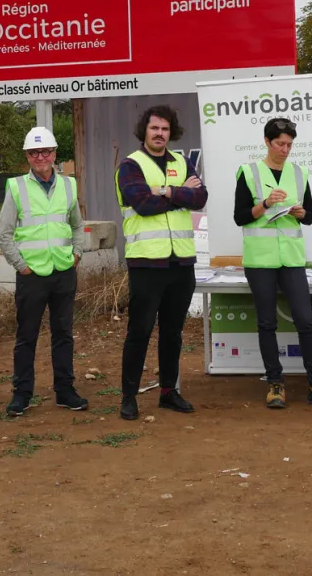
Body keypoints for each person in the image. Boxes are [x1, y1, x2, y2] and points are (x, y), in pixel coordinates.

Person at [234, 117, 312, 410]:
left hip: (292, 258)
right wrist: (267, 204)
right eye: (280, 144)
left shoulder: (299, 173)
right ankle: (275, 384)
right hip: (260, 259)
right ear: (267, 142)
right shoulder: (248, 172)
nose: (285, 149)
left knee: (306, 321)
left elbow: (309, 217)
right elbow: (240, 216)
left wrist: (298, 212)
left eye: (289, 144)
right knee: (267, 322)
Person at [115, 105, 208, 420]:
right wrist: (180, 193)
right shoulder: (130, 166)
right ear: (145, 130)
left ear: (172, 132)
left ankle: (169, 392)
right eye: (154, 128)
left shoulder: (182, 162)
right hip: (146, 264)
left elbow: (201, 198)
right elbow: (141, 204)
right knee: (139, 331)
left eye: (165, 129)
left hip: (180, 263)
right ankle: (129, 397)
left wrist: (165, 190)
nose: (159, 134)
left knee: (173, 332)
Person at [0, 126, 88, 417]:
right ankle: (21, 394)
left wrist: (77, 253)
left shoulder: (69, 185)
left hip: (63, 271)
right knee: (27, 336)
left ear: (54, 154)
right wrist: (21, 266)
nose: (41, 157)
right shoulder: (16, 187)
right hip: (32, 275)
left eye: (45, 151)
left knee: (63, 334)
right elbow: (4, 233)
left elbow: (76, 224)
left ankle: (65, 390)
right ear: (27, 156)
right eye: (34, 152)